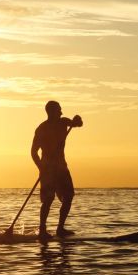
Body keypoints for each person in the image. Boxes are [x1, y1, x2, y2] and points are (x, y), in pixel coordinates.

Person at [31, 100, 82, 243]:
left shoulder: (63, 122)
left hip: (62, 168)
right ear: (51, 112)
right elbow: (33, 152)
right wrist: (41, 167)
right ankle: (42, 230)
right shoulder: (42, 129)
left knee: (69, 196)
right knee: (48, 200)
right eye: (59, 110)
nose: (61, 112)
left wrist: (77, 120)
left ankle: (60, 228)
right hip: (48, 169)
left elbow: (77, 124)